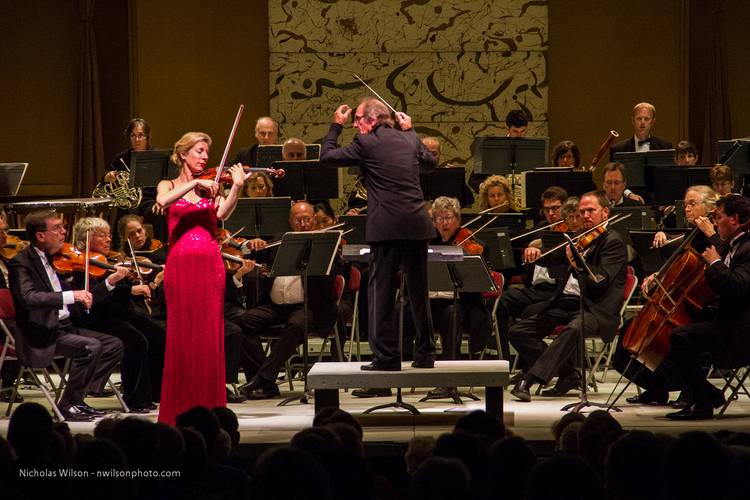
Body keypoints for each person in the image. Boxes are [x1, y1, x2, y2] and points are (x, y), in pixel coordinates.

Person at [321, 98, 437, 370]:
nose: (355, 124)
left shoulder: (366, 143)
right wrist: (410, 131)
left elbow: (327, 156)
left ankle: (386, 358)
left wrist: (335, 126)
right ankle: (425, 354)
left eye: (358, 119)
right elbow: (430, 163)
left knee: (381, 292)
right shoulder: (407, 138)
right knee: (419, 292)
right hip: (417, 224)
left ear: (372, 121)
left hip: (387, 227)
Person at [154, 131, 249, 424]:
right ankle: (178, 409)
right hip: (179, 267)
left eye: (207, 152)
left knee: (209, 336)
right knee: (181, 336)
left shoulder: (214, 186)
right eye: (199, 151)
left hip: (210, 265)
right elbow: (163, 200)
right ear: (183, 154)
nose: (205, 157)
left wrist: (237, 188)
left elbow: (221, 215)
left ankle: (210, 410)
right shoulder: (169, 184)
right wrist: (195, 183)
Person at [509, 191, 627, 402]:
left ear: (605, 213)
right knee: (519, 331)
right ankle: (568, 374)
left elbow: (601, 281)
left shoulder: (613, 242)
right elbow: (552, 257)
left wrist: (577, 263)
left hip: (594, 307)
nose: (586, 216)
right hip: (566, 303)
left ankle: (530, 378)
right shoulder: (578, 237)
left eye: (591, 210)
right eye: (583, 212)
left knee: (573, 328)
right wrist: (535, 254)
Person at [7, 210, 124, 421]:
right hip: (41, 333)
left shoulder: (55, 259)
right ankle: (67, 405)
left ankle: (78, 398)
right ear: (40, 236)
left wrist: (110, 281)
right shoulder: (21, 263)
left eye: (63, 227)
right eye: (57, 228)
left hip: (64, 327)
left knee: (113, 344)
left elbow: (84, 297)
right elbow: (29, 298)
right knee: (91, 347)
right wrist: (71, 294)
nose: (64, 232)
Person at [615, 186, 721, 408]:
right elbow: (679, 273)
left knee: (675, 338)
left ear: (710, 207)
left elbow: (718, 271)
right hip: (684, 305)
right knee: (628, 331)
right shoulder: (691, 237)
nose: (688, 208)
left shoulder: (716, 237)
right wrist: (657, 277)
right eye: (686, 204)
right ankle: (656, 387)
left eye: (693, 203)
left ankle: (692, 388)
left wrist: (711, 233)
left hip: (706, 308)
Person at [238, 201, 340, 399]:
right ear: (290, 222)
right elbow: (252, 254)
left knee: (296, 325)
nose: (303, 224)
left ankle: (262, 379)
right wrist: (252, 245)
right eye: (298, 220)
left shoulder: (325, 244)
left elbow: (329, 284)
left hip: (309, 306)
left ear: (315, 219)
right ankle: (265, 384)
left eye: (307, 219)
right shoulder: (280, 240)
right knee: (242, 323)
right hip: (275, 306)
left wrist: (312, 262)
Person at [665, 195, 750, 420]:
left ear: (735, 219)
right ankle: (705, 395)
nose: (715, 223)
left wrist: (714, 262)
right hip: (727, 322)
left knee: (681, 337)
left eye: (719, 217)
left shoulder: (747, 248)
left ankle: (703, 403)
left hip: (739, 333)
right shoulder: (735, 246)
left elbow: (738, 287)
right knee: (679, 330)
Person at [70, 217, 165, 413]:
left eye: (108, 235)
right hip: (97, 318)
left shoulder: (110, 261)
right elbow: (93, 300)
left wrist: (143, 286)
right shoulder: (81, 266)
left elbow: (121, 293)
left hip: (118, 312)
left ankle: (155, 392)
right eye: (101, 235)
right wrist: (126, 289)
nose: (107, 239)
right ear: (86, 240)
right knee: (136, 341)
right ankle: (135, 398)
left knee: (158, 335)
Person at [102, 118, 152, 183]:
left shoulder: (158, 156)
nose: (136, 140)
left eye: (140, 135)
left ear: (147, 137)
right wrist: (107, 177)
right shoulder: (121, 158)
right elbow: (103, 179)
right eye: (133, 135)